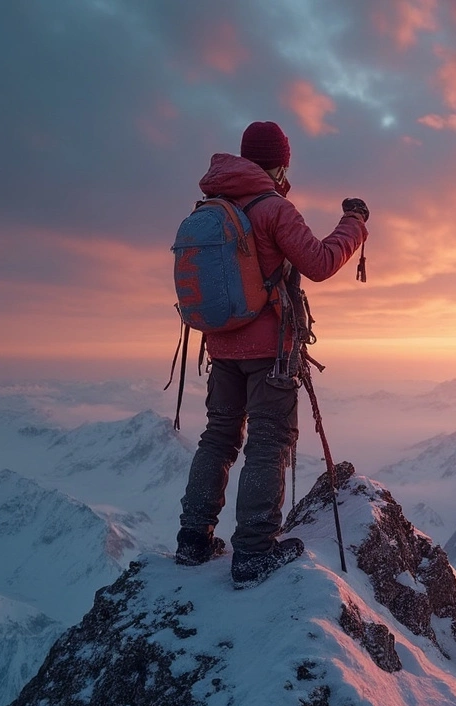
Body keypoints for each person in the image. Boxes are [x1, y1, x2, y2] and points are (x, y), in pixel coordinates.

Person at [174, 121, 368, 589]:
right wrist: (355, 225)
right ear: (280, 163)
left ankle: (193, 539)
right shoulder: (273, 209)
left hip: (221, 344)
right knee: (268, 441)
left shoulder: (213, 205)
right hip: (271, 351)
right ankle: (254, 551)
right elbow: (319, 263)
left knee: (219, 436)